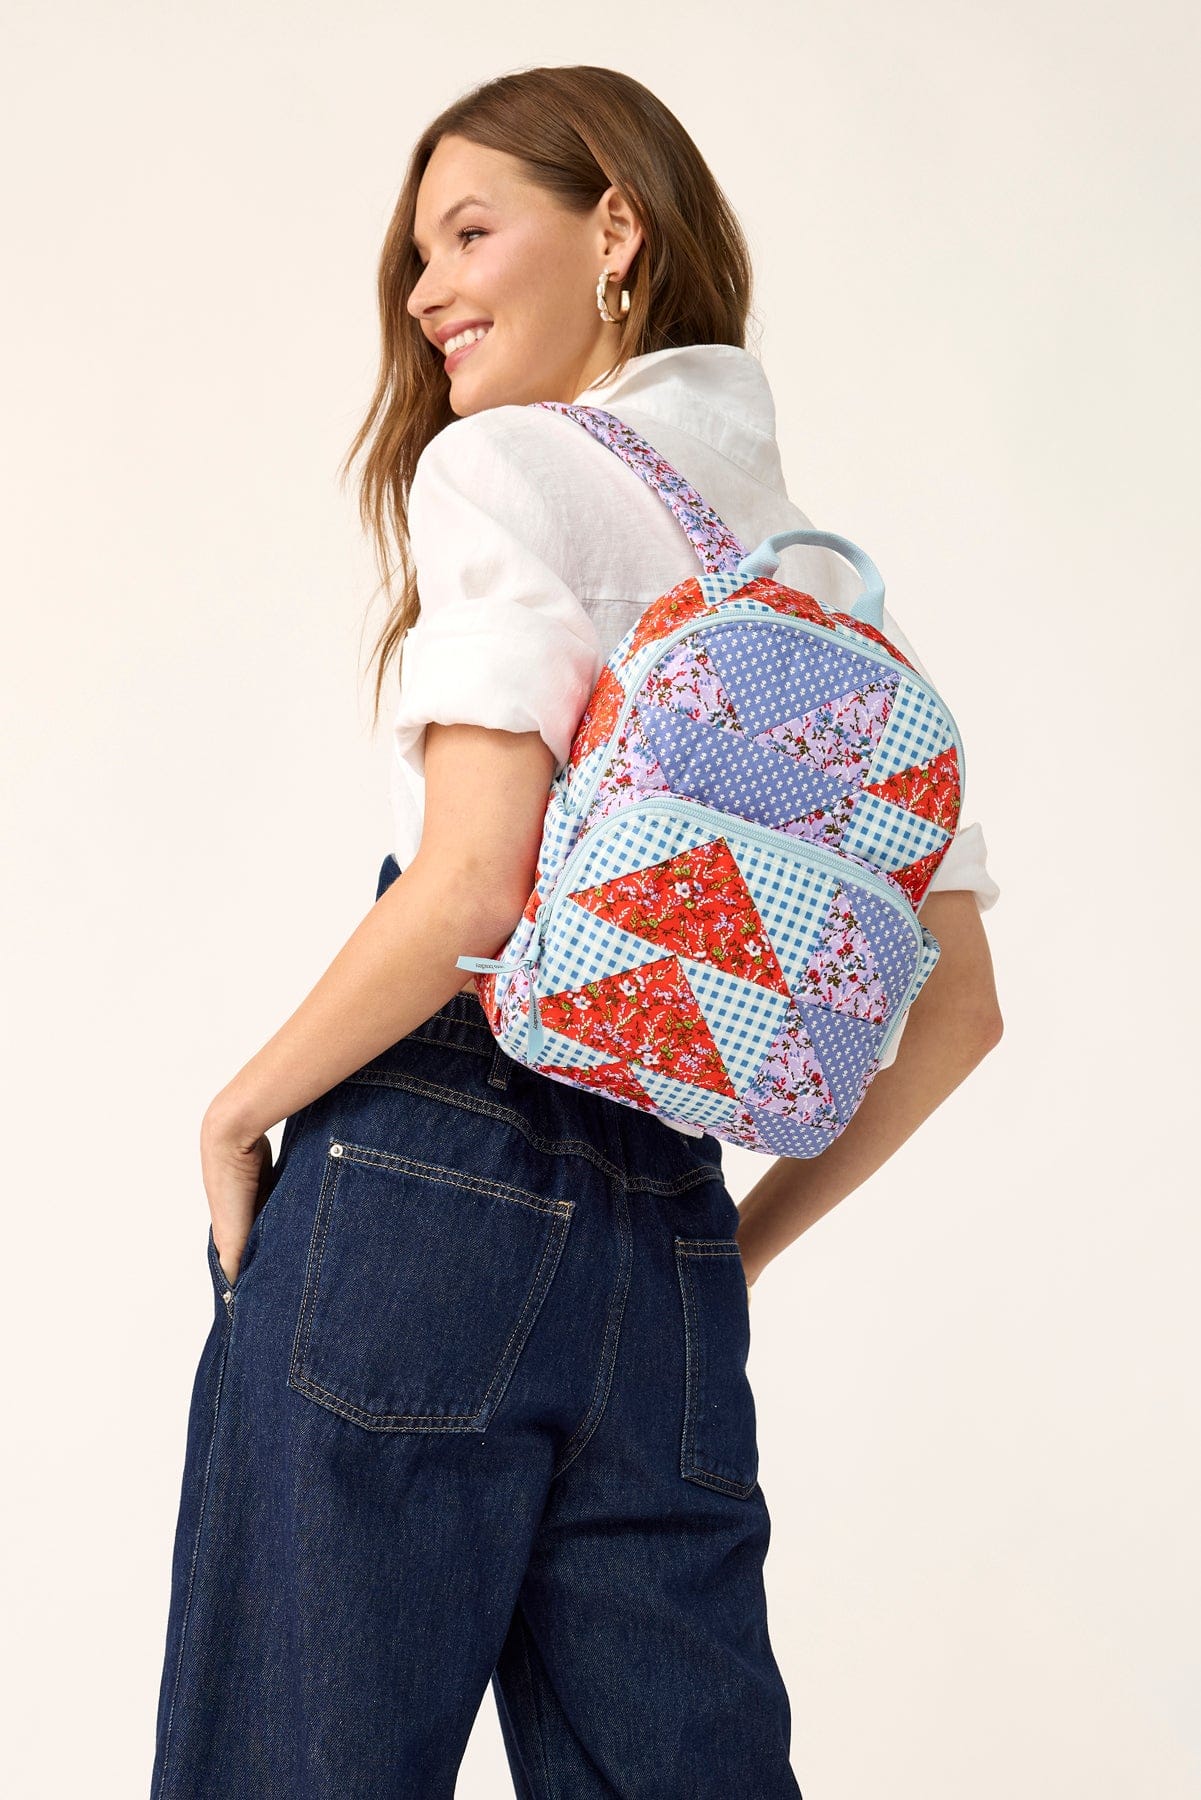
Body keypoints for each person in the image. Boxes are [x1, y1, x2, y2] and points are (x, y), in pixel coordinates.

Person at [150, 64, 1003, 1799]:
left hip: (420, 1189)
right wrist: (716, 1258)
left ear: (614, 223)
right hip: (667, 1244)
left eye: (472, 230)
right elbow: (959, 1009)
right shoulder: (822, 580)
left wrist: (236, 1111)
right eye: (414, 255)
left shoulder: (507, 471)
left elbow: (476, 890)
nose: (426, 291)